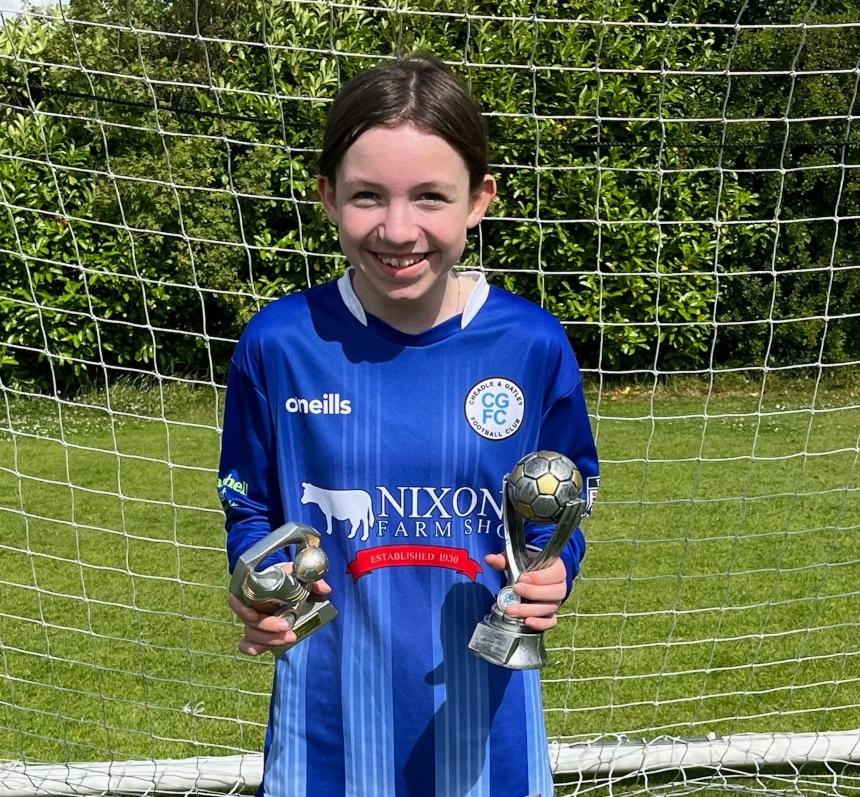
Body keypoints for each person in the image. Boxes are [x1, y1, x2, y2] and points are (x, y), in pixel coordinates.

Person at [218, 54, 599, 797]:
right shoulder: (280, 344)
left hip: (488, 728)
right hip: (325, 733)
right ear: (327, 196)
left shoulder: (531, 344)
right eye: (367, 196)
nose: (398, 229)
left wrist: (558, 569)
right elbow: (249, 504)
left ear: (479, 200)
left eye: (430, 196)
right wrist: (257, 584)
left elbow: (567, 494)